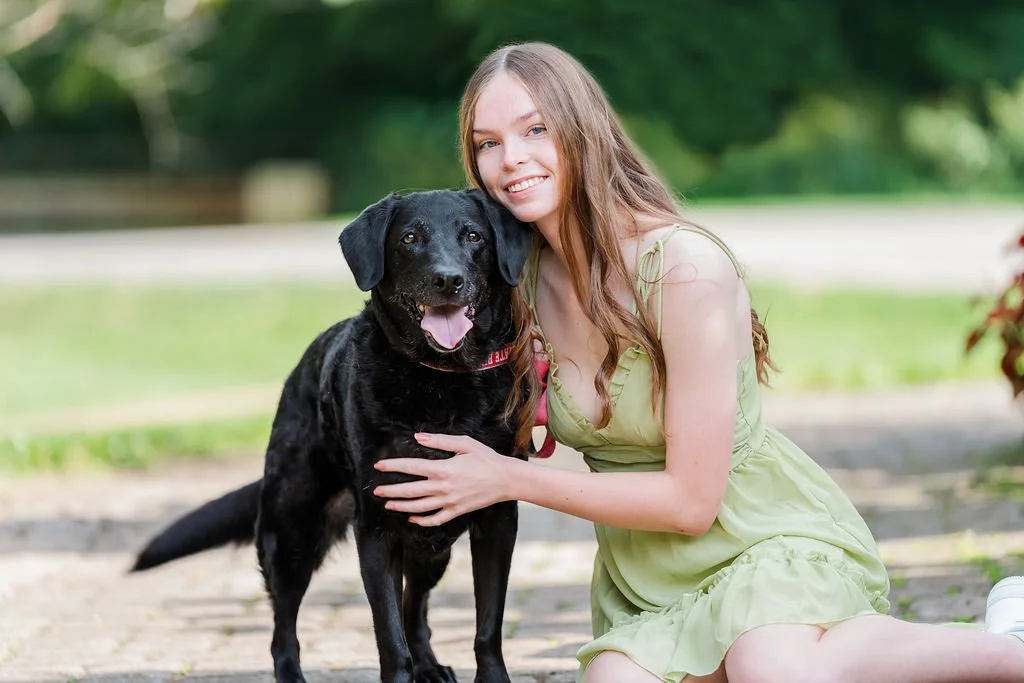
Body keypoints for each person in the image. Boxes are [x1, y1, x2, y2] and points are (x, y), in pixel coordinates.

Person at [372, 41, 1024, 683]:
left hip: (761, 540)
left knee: (770, 667)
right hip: (647, 581)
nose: (511, 159)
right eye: (488, 143)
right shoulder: (510, 280)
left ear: (583, 132)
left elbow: (692, 502)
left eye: (535, 129)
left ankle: (1005, 644)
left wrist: (506, 480)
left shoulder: (683, 269)